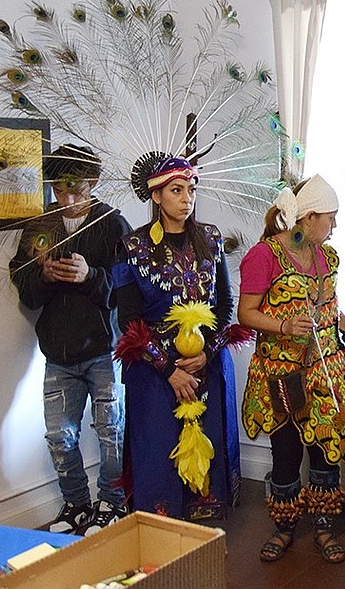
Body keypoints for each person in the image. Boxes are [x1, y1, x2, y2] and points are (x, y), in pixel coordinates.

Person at [9, 144, 132, 535]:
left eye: (77, 188)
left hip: (103, 349)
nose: (69, 198)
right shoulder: (40, 226)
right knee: (60, 435)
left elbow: (129, 290)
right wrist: (44, 276)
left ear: (93, 183)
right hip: (57, 353)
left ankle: (112, 503)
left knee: (110, 430)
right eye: (60, 189)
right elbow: (25, 290)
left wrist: (90, 276)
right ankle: (76, 503)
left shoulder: (113, 222)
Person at [237, 175, 345, 563]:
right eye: (331, 217)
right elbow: (245, 314)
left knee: (326, 449)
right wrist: (284, 326)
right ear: (308, 217)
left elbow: (328, 308)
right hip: (280, 374)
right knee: (286, 450)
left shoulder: (329, 257)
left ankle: (324, 525)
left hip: (326, 371)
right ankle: (285, 525)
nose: (335, 225)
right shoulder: (264, 255)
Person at [112, 153, 241, 521]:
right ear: (156, 196)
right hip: (153, 373)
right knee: (158, 455)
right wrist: (169, 369)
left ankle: (203, 547)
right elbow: (129, 319)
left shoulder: (211, 239)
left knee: (206, 460)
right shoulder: (130, 248)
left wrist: (207, 354)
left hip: (206, 366)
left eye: (191, 189)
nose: (187, 199)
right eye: (176, 190)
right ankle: (160, 543)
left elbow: (224, 302)